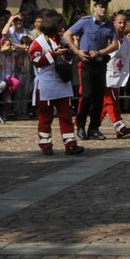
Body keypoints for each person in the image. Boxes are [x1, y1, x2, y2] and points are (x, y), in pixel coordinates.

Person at [28, 8, 85, 156]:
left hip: (61, 83)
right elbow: (36, 61)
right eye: (60, 25)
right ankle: (45, 144)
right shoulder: (37, 42)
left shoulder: (60, 40)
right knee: (45, 116)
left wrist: (67, 55)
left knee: (66, 115)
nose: (62, 28)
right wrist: (54, 54)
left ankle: (70, 144)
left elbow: (68, 59)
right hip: (46, 84)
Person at [65, 0, 117, 140]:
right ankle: (80, 125)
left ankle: (94, 128)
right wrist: (77, 51)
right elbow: (67, 34)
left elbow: (115, 44)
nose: (103, 9)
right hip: (86, 62)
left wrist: (101, 52)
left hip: (100, 62)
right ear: (94, 7)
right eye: (100, 6)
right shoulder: (85, 21)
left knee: (98, 97)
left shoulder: (109, 25)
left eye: (105, 6)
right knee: (86, 96)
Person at [101, 10, 130, 138]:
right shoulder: (108, 37)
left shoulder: (125, 40)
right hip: (107, 73)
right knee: (111, 100)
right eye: (119, 22)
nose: (122, 25)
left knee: (106, 102)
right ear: (114, 23)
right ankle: (119, 126)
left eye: (124, 23)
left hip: (118, 74)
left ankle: (91, 126)